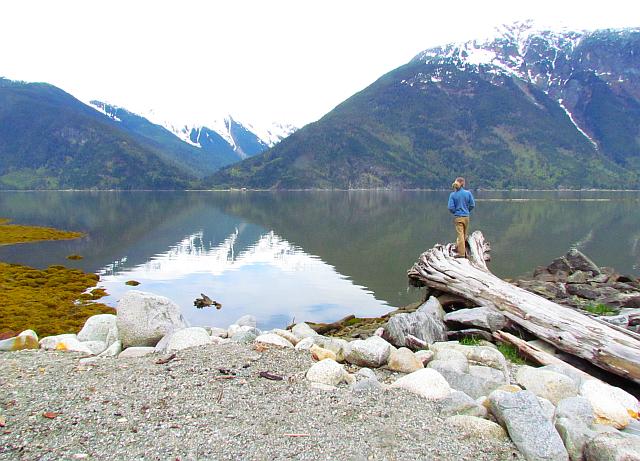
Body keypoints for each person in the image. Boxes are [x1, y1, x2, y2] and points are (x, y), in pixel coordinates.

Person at [447, 177, 475, 258]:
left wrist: (455, 212)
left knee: (460, 235)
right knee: (464, 234)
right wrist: (467, 211)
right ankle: (463, 250)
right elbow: (472, 205)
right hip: (466, 217)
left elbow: (450, 207)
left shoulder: (453, 195)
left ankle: (461, 254)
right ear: (463, 184)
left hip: (458, 217)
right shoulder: (468, 193)